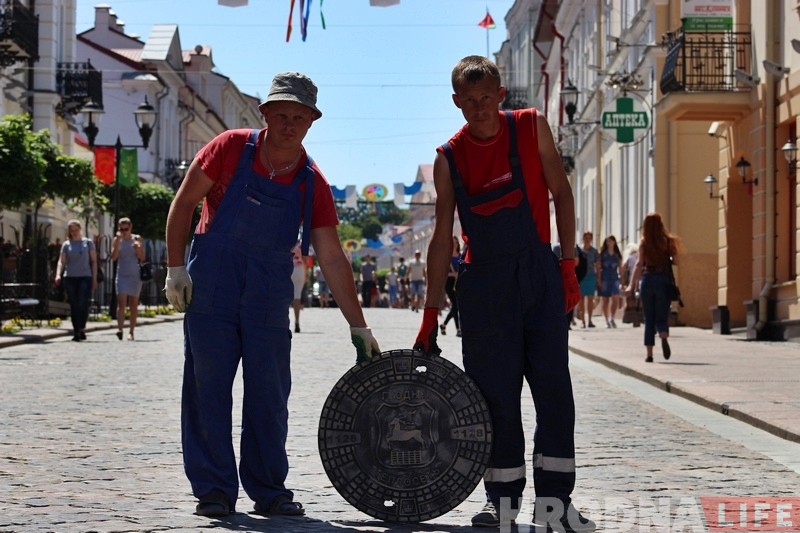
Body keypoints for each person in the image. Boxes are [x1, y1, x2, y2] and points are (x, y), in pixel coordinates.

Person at [164, 71, 381, 519]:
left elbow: (333, 257)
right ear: (265, 114)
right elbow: (184, 204)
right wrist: (174, 269)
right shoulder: (228, 147)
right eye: (280, 114)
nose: (288, 124)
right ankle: (214, 489)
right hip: (214, 286)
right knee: (208, 387)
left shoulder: (311, 182)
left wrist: (358, 324)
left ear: (311, 122)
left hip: (266, 291)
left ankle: (268, 488)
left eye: (298, 117)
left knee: (269, 390)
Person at [412, 56, 594, 531]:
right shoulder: (449, 158)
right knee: (496, 399)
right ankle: (502, 503)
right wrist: (431, 313)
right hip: (484, 287)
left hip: (538, 274)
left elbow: (563, 192)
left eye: (486, 99)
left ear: (500, 94)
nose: (478, 109)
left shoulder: (531, 128)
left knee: (554, 392)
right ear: (456, 102)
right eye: (468, 102)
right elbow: (441, 237)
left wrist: (568, 265)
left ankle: (554, 504)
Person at [626, 212, 681, 362]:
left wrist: (631, 286)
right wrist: (667, 257)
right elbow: (676, 261)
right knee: (662, 314)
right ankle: (663, 334)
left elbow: (638, 265)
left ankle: (649, 354)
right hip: (663, 279)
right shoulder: (667, 241)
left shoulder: (644, 242)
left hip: (647, 280)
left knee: (648, 317)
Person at [54, 220, 98, 342]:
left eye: (76, 230)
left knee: (82, 302)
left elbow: (94, 261)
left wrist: (94, 278)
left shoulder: (88, 243)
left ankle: (82, 328)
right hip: (70, 277)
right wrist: (58, 274)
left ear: (80, 229)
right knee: (73, 304)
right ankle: (76, 330)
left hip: (85, 276)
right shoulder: (66, 244)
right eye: (71, 230)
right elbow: (61, 261)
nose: (74, 232)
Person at [110, 217, 145, 341]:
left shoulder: (137, 238)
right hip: (122, 274)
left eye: (126, 228)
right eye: (121, 229)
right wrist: (118, 241)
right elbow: (113, 258)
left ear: (130, 227)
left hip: (134, 275)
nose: (124, 231)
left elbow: (142, 258)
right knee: (121, 302)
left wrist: (138, 248)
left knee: (133, 304)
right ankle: (120, 329)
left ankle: (131, 331)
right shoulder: (117, 240)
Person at [598, 235, 622, 328]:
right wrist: (599, 279)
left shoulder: (617, 254)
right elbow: (599, 267)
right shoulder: (603, 254)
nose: (609, 243)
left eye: (611, 241)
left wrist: (622, 280)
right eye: (607, 241)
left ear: (614, 242)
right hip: (605, 277)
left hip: (614, 277)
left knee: (615, 297)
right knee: (605, 299)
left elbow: (620, 267)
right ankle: (606, 319)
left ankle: (612, 317)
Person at [440, 236, 462, 336]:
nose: (454, 244)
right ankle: (458, 329)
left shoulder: (461, 256)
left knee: (455, 306)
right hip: (449, 283)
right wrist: (453, 274)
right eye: (452, 243)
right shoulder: (446, 257)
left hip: (459, 283)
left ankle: (444, 324)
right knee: (455, 305)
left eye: (456, 243)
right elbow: (443, 272)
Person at [577, 231, 599, 328]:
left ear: (591, 239)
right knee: (580, 300)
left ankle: (589, 320)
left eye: (589, 238)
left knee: (590, 299)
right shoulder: (579, 250)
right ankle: (583, 321)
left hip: (590, 276)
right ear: (583, 239)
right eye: (586, 238)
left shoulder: (594, 251)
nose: (587, 240)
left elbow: (598, 265)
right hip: (580, 277)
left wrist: (599, 278)